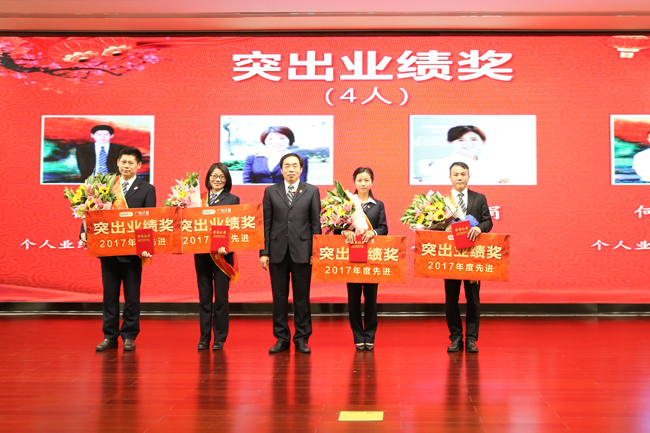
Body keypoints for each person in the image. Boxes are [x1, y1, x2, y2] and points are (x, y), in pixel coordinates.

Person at [81, 147, 156, 352]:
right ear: (117, 163)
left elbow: (150, 220)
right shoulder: (105, 186)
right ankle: (110, 336)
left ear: (139, 166)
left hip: (132, 252)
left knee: (132, 297)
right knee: (109, 296)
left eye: (131, 163)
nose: (126, 166)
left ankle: (129, 335)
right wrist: (84, 231)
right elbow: (90, 211)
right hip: (108, 250)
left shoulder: (147, 189)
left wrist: (147, 246)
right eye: (123, 162)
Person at [260, 153, 321, 354]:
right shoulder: (271, 191)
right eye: (287, 166)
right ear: (281, 169)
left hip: (303, 251)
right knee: (279, 298)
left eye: (295, 165)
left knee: (302, 298)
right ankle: (281, 338)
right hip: (277, 251)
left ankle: (302, 338)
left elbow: (316, 224)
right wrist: (264, 251)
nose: (291, 169)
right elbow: (266, 223)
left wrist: (316, 251)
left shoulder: (312, 191)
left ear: (301, 169)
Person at [443, 162, 493, 353]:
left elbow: (488, 221)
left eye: (463, 174)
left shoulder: (479, 198)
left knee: (473, 298)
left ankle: (471, 338)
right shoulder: (443, 201)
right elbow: (433, 226)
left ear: (468, 177)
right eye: (456, 174)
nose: (459, 178)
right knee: (451, 299)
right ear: (450, 178)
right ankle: (456, 337)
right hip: (451, 257)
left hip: (472, 255)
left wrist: (479, 228)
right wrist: (444, 229)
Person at [338, 167, 388, 351]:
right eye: (360, 180)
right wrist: (344, 232)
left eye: (367, 180)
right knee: (353, 299)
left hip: (371, 257)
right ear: (354, 182)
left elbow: (384, 228)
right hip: (352, 257)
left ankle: (370, 335)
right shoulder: (346, 204)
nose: (363, 183)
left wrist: (373, 232)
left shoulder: (378, 205)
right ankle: (358, 336)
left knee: (371, 298)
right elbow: (336, 228)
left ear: (372, 182)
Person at [194, 163, 240, 351]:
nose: (217, 179)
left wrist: (226, 245)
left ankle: (220, 338)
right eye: (214, 176)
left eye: (221, 176)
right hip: (202, 254)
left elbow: (235, 226)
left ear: (227, 180)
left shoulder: (233, 199)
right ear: (208, 178)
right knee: (204, 298)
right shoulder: (198, 199)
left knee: (221, 298)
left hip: (223, 256)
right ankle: (204, 337)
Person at [418, 125, 510, 185]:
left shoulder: (492, 162)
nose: (468, 143)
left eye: (474, 139)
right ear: (450, 142)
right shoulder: (441, 165)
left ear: (482, 141)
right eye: (461, 140)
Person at [243, 126, 309, 184]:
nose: (276, 142)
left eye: (282, 138)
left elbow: (300, 183)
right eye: (271, 139)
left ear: (290, 140)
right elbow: (247, 182)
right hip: (257, 193)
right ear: (264, 141)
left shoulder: (300, 159)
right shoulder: (252, 158)